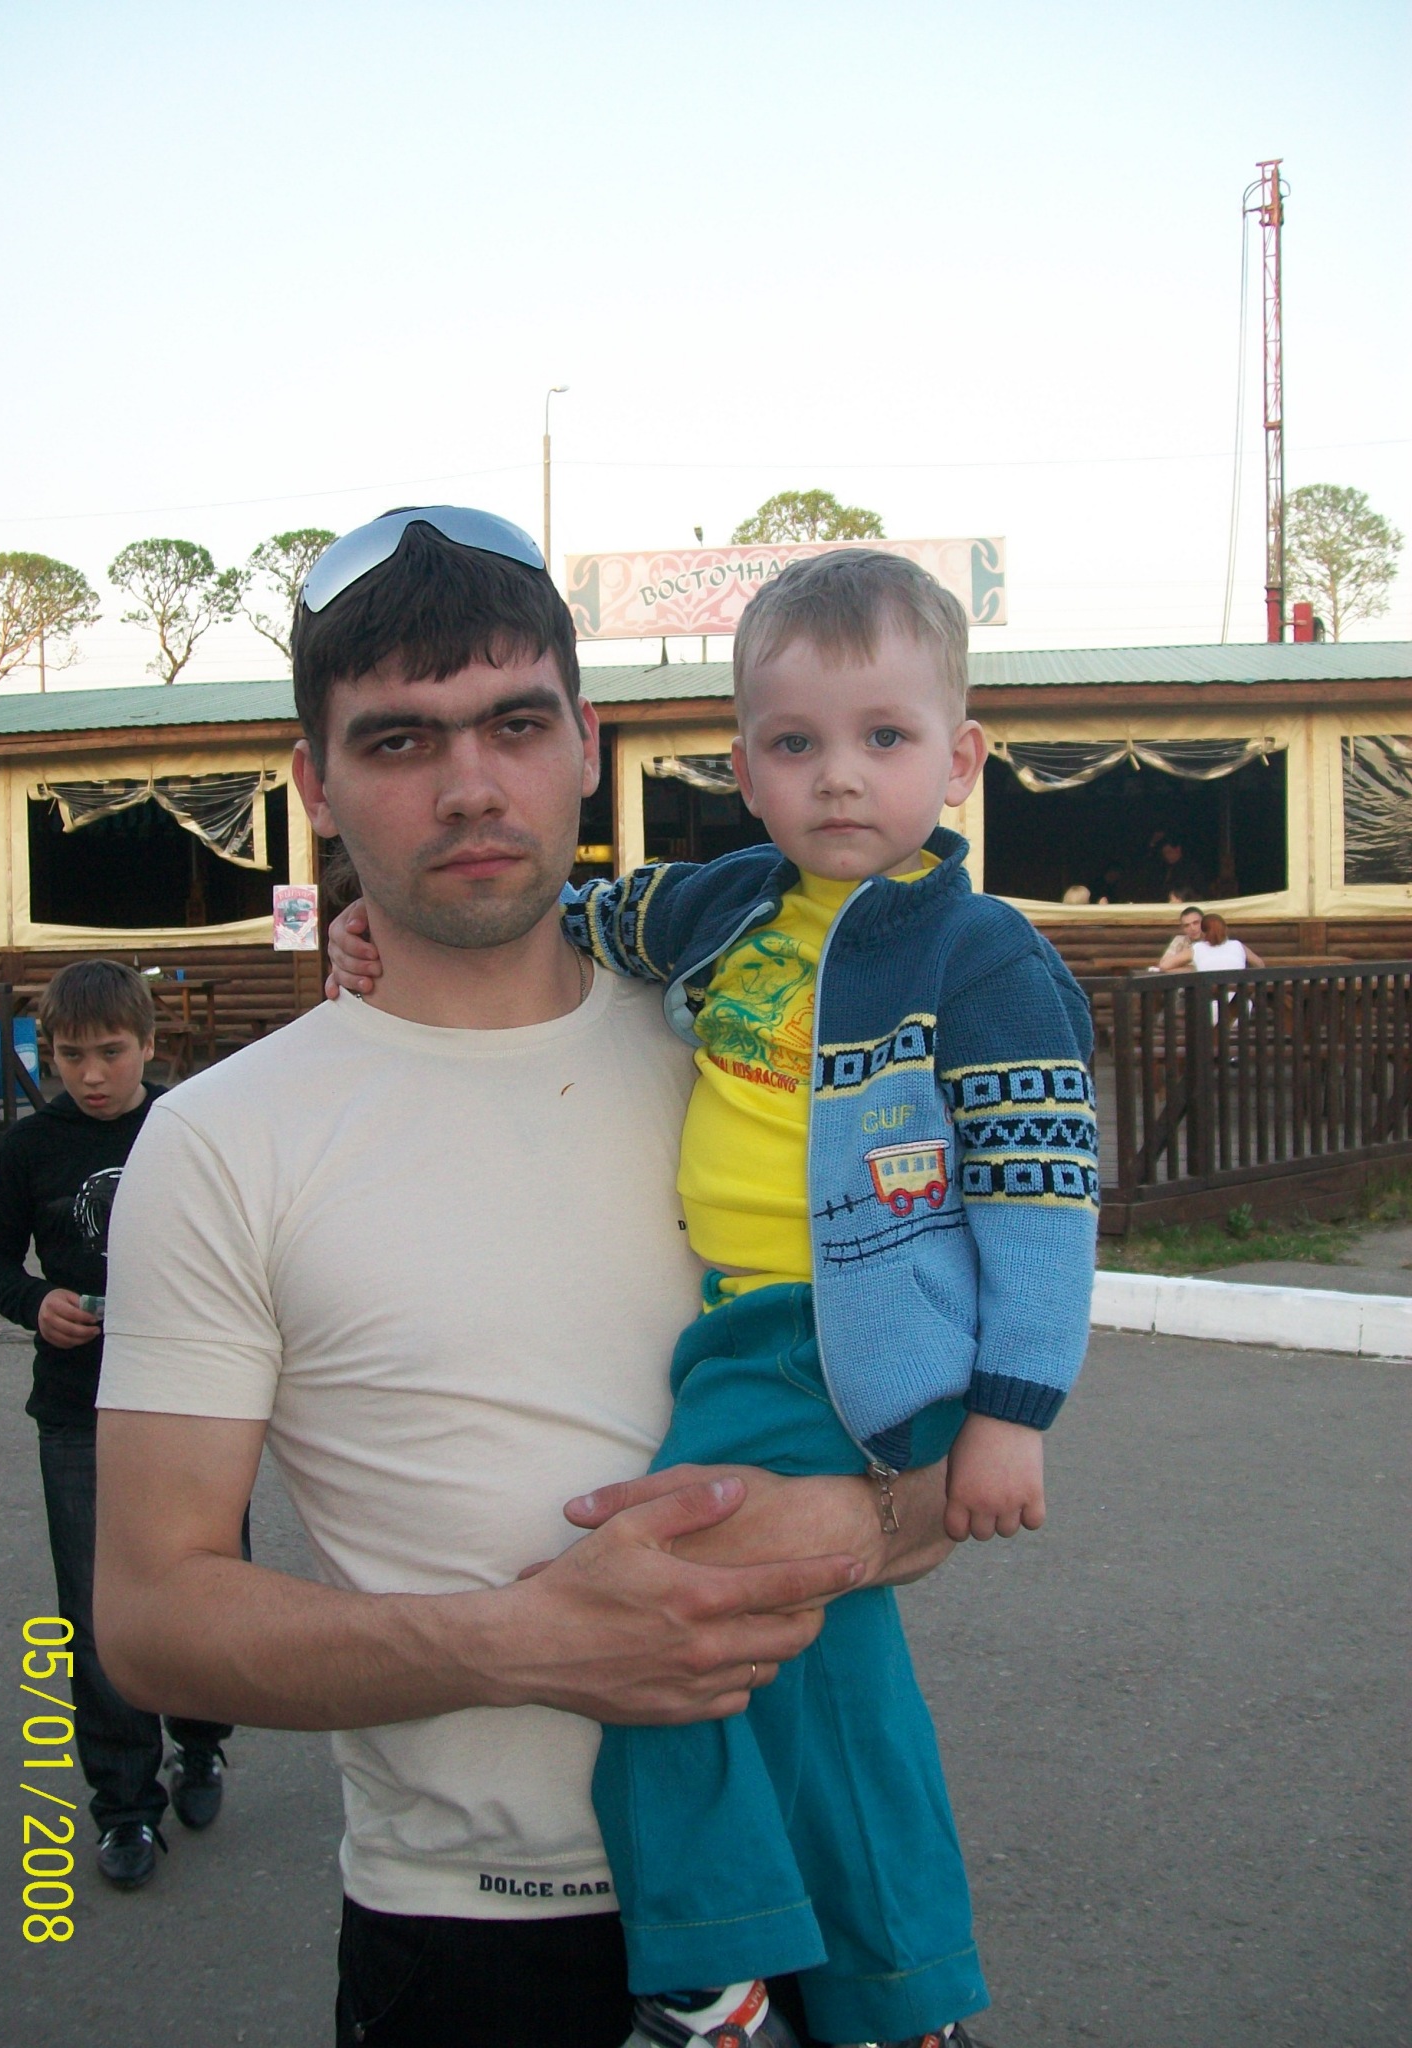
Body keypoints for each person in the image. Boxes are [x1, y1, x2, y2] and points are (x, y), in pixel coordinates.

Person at [91, 508, 954, 2048]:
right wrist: (527, 1640)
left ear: (587, 743)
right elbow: (151, 1617)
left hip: (822, 1878)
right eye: (399, 740)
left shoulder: (747, 1049)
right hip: (473, 1942)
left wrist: (858, 1524)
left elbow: (957, 1468)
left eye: (515, 724)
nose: (472, 786)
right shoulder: (221, 1143)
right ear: (314, 783)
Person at [331, 548, 1098, 2047]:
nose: (839, 777)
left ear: (961, 757)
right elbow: (575, 919)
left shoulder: (978, 954)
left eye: (885, 737)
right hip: (745, 1324)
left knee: (653, 1620)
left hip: (838, 1340)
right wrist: (380, 924)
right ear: (742, 770)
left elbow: (1042, 1193)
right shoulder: (728, 907)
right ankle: (897, 1993)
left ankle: (709, 1960)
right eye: (795, 743)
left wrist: (1014, 1413)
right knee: (831, 1684)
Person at [0, 960, 239, 1889]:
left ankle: (200, 1740)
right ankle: (124, 1807)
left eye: (111, 1052)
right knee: (94, 1610)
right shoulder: (29, 1147)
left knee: (206, 1587)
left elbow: (245, 1248)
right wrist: (35, 1302)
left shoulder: (189, 1129)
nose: (91, 1074)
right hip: (76, 1410)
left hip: (195, 1405)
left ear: (150, 1045)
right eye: (70, 1055)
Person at [1190, 912, 1263, 970]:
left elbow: (1180, 960)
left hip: (1209, 985)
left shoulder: (1197, 948)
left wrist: (1191, 969)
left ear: (1203, 933)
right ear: (1225, 929)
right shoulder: (1237, 945)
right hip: (1236, 985)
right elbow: (1259, 964)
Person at [1156, 903, 1205, 971]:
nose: (1192, 928)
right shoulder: (1180, 940)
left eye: (1196, 923)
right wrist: (1191, 969)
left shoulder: (1213, 941)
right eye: (1187, 925)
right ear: (1183, 929)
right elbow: (1163, 966)